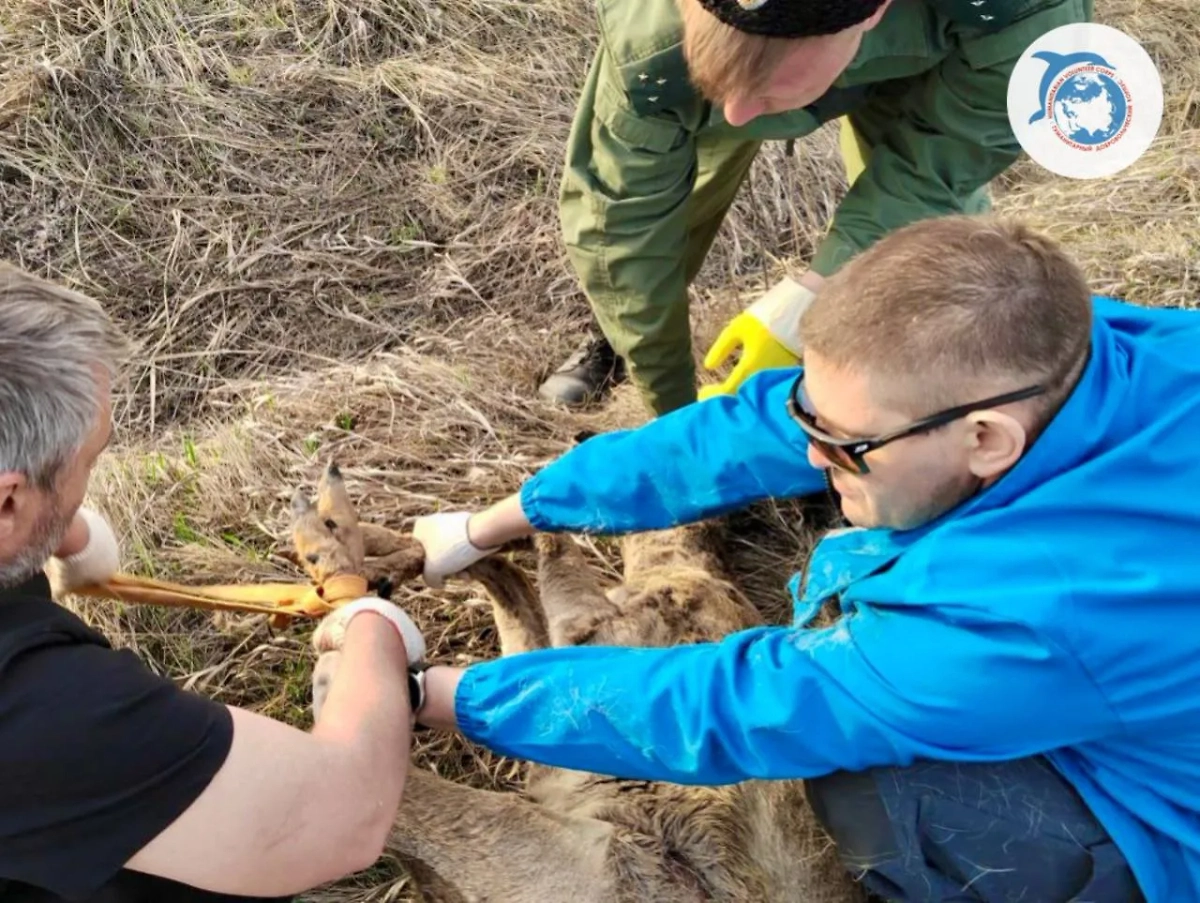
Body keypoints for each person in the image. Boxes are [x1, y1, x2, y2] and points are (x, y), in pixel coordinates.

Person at [410, 215, 1200, 902]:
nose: (814, 455)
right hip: (1119, 667)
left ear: (987, 439)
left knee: (873, 783)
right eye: (811, 419)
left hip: (1168, 820)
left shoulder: (1029, 611)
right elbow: (756, 429)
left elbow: (750, 703)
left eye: (846, 448)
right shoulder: (1074, 349)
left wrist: (443, 694)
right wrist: (503, 519)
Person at [0, 263, 427, 902]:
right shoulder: (46, 712)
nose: (89, 481)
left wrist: (57, 528)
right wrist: (368, 620)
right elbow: (344, 813)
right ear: (7, 502)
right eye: (89, 462)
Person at [538, 0, 1094, 416]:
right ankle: (618, 343)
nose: (738, 114)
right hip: (759, 45)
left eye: (768, 91)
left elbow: (935, 168)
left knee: (925, 243)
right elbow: (625, 224)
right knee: (681, 203)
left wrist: (822, 284)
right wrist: (673, 404)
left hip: (944, 48)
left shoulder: (1023, 13)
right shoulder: (655, 40)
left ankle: (902, 396)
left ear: (871, 13)